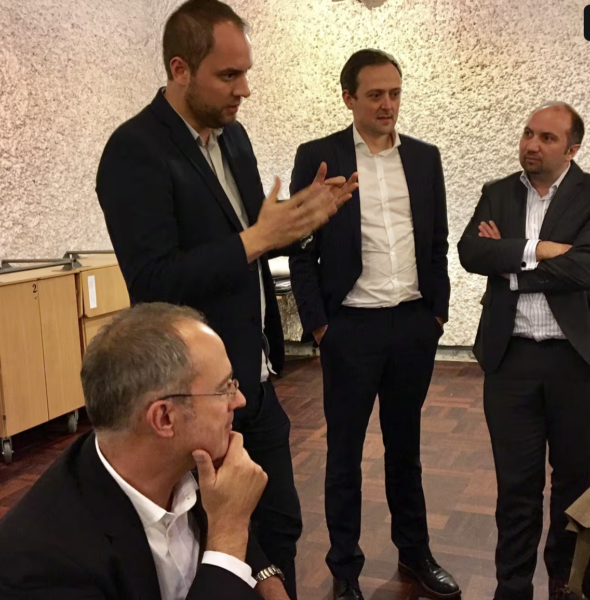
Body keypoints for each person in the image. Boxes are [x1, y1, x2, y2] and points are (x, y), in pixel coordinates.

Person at [95, 2, 357, 597]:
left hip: (252, 378)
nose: (245, 90)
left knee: (280, 528)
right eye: (228, 75)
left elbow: (246, 241)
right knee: (219, 540)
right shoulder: (135, 150)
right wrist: (260, 237)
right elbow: (154, 283)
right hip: (193, 395)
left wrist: (292, 223)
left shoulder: (233, 138)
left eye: (245, 73)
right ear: (180, 69)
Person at [289, 49, 458, 600]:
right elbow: (300, 248)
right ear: (349, 98)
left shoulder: (425, 158)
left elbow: (436, 240)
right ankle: (344, 571)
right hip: (350, 330)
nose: (388, 105)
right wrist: (319, 326)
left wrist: (437, 314)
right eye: (376, 94)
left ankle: (416, 553)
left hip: (413, 325)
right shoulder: (319, 157)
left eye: (395, 93)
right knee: (344, 455)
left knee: (405, 449)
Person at [0, 302, 292, 600]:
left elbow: (244, 549)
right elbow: (227, 528)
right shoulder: (40, 564)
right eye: (224, 388)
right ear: (164, 418)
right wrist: (229, 530)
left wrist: (266, 578)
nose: (239, 399)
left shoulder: (186, 459)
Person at [458, 102, 590, 600]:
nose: (532, 145)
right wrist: (541, 249)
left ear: (572, 149)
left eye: (547, 138)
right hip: (510, 359)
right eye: (528, 134)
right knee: (516, 485)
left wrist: (510, 261)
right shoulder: (497, 192)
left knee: (576, 481)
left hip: (576, 360)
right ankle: (511, 586)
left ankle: (565, 580)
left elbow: (586, 267)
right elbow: (471, 252)